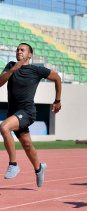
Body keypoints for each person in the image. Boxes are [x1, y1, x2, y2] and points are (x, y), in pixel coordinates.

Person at [0, 43, 62, 187]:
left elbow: (57, 78)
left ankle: (13, 164)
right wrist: (13, 70)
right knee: (27, 145)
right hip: (14, 113)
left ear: (29, 55)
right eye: (17, 49)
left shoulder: (36, 70)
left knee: (4, 127)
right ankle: (39, 168)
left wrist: (57, 100)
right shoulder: (10, 66)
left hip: (27, 112)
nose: (19, 51)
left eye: (22, 50)